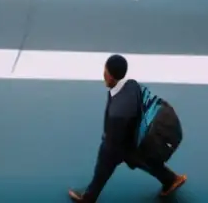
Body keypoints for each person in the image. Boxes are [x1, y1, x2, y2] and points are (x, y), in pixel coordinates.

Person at [68, 54, 186, 202]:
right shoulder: (131, 84)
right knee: (132, 155)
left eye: (105, 71)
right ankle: (170, 179)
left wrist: (112, 149)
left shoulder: (118, 112)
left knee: (109, 155)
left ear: (109, 76)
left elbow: (113, 143)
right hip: (148, 127)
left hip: (141, 136)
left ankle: (89, 197)